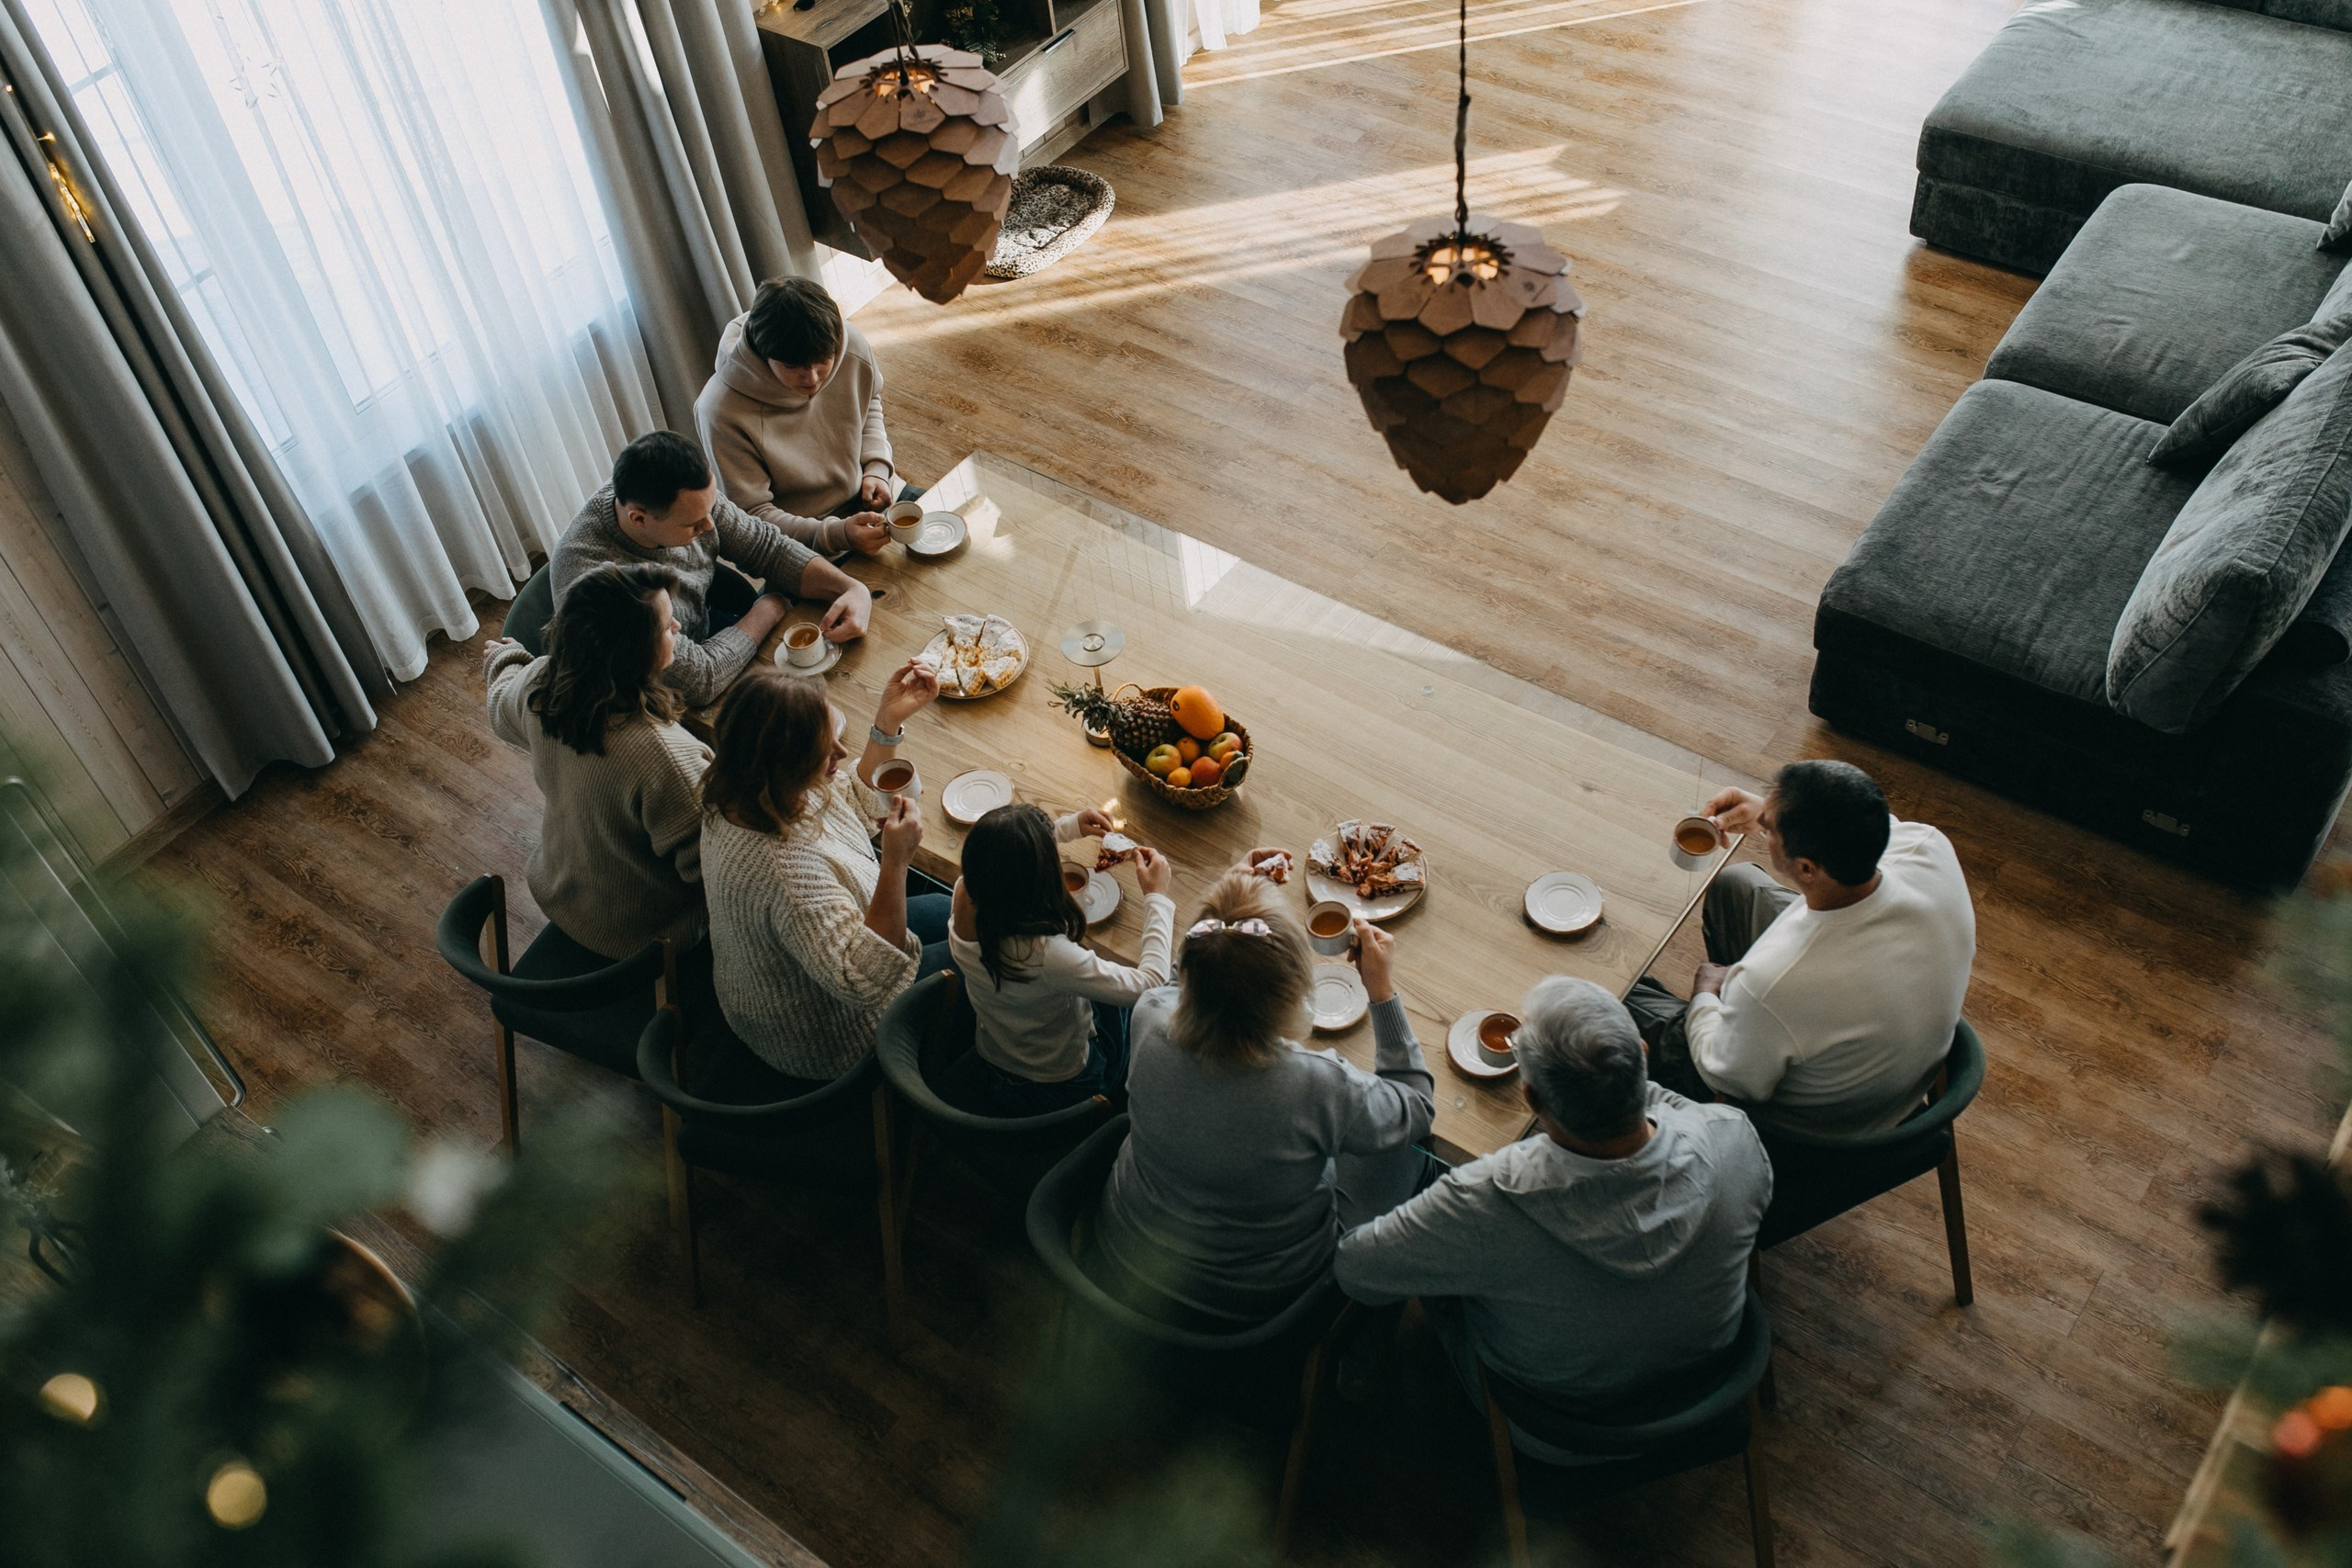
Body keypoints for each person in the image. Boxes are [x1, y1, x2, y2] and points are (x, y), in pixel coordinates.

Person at [1335, 977, 1770, 1461]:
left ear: (1534, 1101)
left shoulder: (1480, 1201)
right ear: (1642, 1057)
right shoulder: (1732, 1135)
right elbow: (1680, 1114)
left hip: (1558, 1430)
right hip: (1707, 1385)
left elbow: (1356, 1272)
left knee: (1421, 1179)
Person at [1090, 863, 1435, 1324]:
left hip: (1126, 1254)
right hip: (1254, 1300)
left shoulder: (1150, 1018)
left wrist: (1221, 920)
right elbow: (1416, 1105)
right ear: (1293, 993)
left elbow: (1174, 988)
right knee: (1416, 1151)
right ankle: (1368, 1333)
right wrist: (1381, 991)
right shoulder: (1316, 1082)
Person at [1623, 760, 1976, 1134]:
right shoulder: (1927, 845)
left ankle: (1739, 1026)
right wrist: (1769, 809)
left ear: (1807, 869)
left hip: (1817, 1132)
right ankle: (1754, 1029)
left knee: (1618, 994)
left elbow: (1725, 1076)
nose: (1761, 824)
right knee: (1736, 884)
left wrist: (1705, 994)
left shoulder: (1774, 981)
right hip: (1901, 1051)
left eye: (1769, 827)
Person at [697, 662, 947, 1081]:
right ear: (787, 763)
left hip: (811, 968)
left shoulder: (743, 790)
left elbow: (844, 798)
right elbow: (864, 979)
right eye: (824, 749)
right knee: (989, 945)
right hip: (834, 1032)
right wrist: (895, 861)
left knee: (947, 905)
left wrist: (887, 725)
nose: (842, 753)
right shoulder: (785, 874)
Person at [481, 562, 709, 960]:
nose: (678, 630)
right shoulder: (665, 756)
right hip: (647, 936)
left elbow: (501, 703)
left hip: (562, 891)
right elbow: (714, 870)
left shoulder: (541, 685)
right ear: (633, 652)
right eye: (666, 626)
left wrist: (505, 660)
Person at [549, 431, 874, 709]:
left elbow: (767, 547)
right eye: (694, 523)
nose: (710, 525)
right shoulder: (608, 590)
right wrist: (770, 607)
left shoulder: (681, 496)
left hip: (702, 627)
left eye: (711, 508)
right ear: (639, 519)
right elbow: (700, 681)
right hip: (654, 697)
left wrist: (850, 588)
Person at [946, 804, 1176, 1113]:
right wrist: (1157, 897)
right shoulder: (1044, 953)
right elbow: (1150, 984)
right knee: (1135, 1013)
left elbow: (1004, 860)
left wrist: (1069, 827)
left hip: (998, 1052)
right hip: (1061, 1082)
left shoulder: (966, 891)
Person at [695, 277, 902, 559]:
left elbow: (869, 402)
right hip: (803, 547)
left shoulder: (848, 341)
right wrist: (837, 534)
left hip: (878, 500)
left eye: (823, 362)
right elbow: (752, 516)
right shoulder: (720, 410)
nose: (812, 379)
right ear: (763, 353)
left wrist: (877, 467)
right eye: (793, 367)